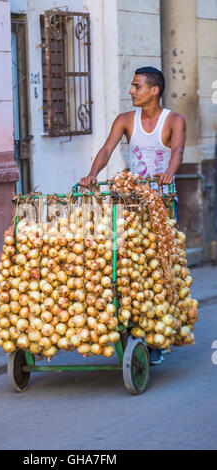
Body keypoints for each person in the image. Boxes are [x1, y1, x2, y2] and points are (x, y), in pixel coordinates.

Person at [80, 66, 186, 365]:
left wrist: (168, 173)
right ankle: (129, 325)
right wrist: (91, 174)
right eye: (131, 85)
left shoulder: (174, 120)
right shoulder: (126, 120)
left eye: (137, 86)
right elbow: (107, 149)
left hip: (162, 205)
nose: (131, 91)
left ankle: (157, 337)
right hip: (131, 204)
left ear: (154, 90)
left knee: (158, 269)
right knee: (127, 268)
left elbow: (177, 150)